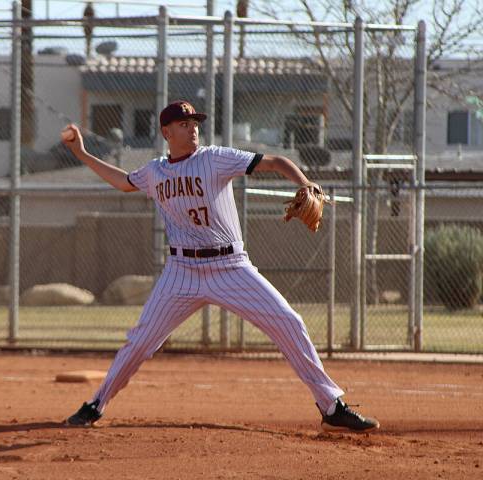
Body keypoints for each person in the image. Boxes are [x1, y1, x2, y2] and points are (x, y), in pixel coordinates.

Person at [59, 100, 379, 432]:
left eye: (195, 122)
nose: (193, 127)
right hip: (181, 272)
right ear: (166, 132)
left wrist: (304, 182)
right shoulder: (156, 172)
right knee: (139, 342)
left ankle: (331, 406)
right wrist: (81, 153)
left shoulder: (214, 159)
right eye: (184, 124)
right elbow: (123, 181)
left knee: (289, 322)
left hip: (231, 267)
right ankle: (96, 404)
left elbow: (277, 162)